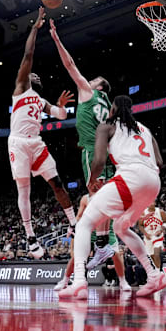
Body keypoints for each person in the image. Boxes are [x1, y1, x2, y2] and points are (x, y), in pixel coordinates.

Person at [58, 96, 166, 299]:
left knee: (84, 224)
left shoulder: (106, 125)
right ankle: (154, 275)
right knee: (120, 227)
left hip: (130, 176)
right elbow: (159, 161)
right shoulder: (145, 129)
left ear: (113, 109)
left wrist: (92, 180)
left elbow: (98, 160)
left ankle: (80, 281)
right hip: (153, 182)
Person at [9, 7, 77, 259]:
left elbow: (60, 117)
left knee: (56, 182)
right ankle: (30, 237)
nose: (32, 75)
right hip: (18, 143)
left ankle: (73, 223)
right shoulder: (20, 89)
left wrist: (60, 107)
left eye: (36, 75)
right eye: (30, 74)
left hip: (36, 143)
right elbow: (28, 53)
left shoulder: (40, 101)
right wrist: (35, 28)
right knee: (24, 190)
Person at [50, 18, 118, 270]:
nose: (88, 81)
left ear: (99, 86)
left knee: (95, 198)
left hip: (92, 153)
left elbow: (70, 65)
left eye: (93, 80)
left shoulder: (89, 93)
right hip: (109, 155)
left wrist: (57, 39)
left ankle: (101, 245)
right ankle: (103, 244)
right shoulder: (109, 107)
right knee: (104, 198)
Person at [54, 193, 132, 292]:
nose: (94, 184)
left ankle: (123, 281)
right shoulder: (85, 198)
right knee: (77, 257)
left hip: (107, 230)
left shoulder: (110, 194)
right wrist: (72, 226)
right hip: (90, 230)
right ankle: (64, 281)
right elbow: (79, 216)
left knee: (116, 255)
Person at [136, 202, 166, 269]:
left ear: (155, 203)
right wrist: (146, 234)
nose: (151, 203)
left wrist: (161, 230)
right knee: (152, 255)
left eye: (153, 201)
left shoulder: (160, 212)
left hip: (158, 235)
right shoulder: (143, 213)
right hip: (148, 236)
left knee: (157, 253)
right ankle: (157, 269)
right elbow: (140, 225)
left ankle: (158, 271)